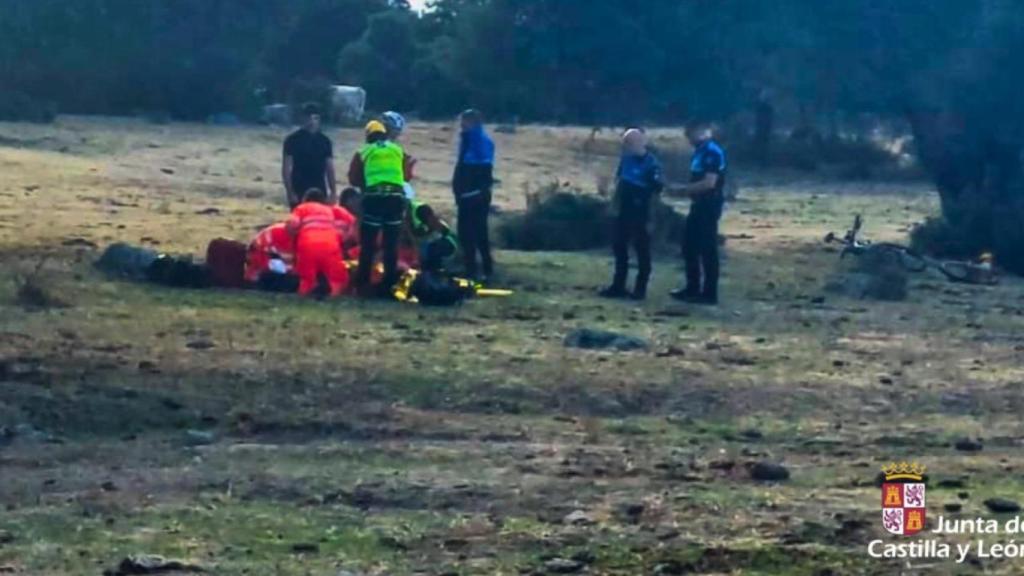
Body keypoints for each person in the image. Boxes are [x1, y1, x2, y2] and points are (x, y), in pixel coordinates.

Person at [668, 122, 728, 305]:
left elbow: (709, 183)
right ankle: (692, 288)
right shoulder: (701, 151)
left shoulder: (711, 152)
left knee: (707, 248)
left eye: (690, 135)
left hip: (709, 204)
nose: (689, 139)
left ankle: (709, 293)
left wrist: (683, 190)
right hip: (699, 203)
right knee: (690, 246)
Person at [600, 128, 663, 300]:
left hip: (641, 210)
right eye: (626, 143)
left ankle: (640, 289)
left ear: (642, 142)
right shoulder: (626, 160)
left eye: (631, 142)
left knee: (642, 250)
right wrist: (613, 205)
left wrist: (651, 215)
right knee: (620, 247)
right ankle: (618, 286)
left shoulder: (652, 163)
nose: (628, 146)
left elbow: (657, 190)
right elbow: (620, 182)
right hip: (624, 209)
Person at [353, 120, 408, 296]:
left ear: (368, 136)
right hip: (395, 199)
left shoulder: (365, 151)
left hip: (374, 199)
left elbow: (353, 178)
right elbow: (406, 175)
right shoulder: (397, 150)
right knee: (391, 244)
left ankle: (362, 284)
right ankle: (389, 285)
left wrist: (367, 187)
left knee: (368, 243)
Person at [453, 109, 496, 281]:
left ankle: (476, 270)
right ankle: (479, 267)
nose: (461, 125)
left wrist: (476, 190)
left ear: (473, 122)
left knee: (471, 232)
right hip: (467, 194)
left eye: (464, 121)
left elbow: (482, 169)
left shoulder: (478, 141)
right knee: (473, 232)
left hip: (473, 195)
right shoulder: (468, 139)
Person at [286, 188, 349, 297]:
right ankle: (335, 297)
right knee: (336, 279)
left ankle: (303, 296)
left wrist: (294, 236)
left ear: (305, 200)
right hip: (331, 246)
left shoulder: (301, 208)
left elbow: (292, 226)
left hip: (307, 246)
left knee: (307, 279)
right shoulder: (330, 210)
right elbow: (352, 223)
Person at [282, 103, 336, 209]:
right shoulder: (292, 140)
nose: (312, 122)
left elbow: (330, 168)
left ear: (319, 120)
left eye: (315, 118)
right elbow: (286, 169)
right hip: (299, 188)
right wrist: (290, 192)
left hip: (319, 188)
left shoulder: (325, 141)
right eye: (308, 118)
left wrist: (333, 191)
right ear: (302, 118)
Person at [406, 200, 458, 272]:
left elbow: (439, 229)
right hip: (428, 247)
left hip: (445, 246)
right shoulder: (422, 227)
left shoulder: (422, 211)